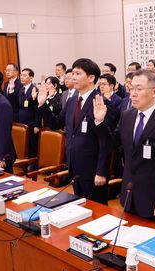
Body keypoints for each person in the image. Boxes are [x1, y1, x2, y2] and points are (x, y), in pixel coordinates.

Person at [93, 69, 155, 225]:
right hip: (129, 194)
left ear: (154, 92)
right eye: (131, 88)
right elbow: (112, 144)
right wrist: (100, 122)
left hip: (154, 199)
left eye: (139, 89)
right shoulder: (127, 116)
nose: (133, 93)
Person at [46, 58, 111, 204]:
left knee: (96, 212)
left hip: (92, 168)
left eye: (77, 73)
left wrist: (101, 171)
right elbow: (56, 123)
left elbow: (106, 141)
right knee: (80, 208)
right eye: (72, 73)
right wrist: (43, 105)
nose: (73, 77)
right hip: (74, 165)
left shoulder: (101, 102)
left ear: (91, 77)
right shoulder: (72, 100)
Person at [17, 68, 39, 156]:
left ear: (31, 78)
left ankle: (34, 164)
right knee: (25, 146)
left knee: (33, 145)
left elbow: (37, 109)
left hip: (31, 122)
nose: (22, 77)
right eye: (21, 75)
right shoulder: (21, 90)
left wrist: (37, 124)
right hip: (22, 121)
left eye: (24, 75)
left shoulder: (34, 90)